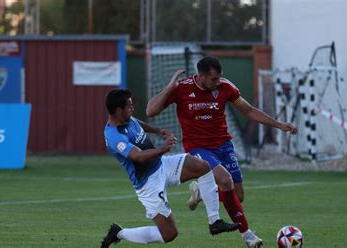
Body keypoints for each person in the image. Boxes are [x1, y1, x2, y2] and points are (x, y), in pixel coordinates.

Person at [146, 56, 297, 248]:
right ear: (201, 77)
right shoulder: (182, 88)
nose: (218, 83)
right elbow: (151, 111)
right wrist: (169, 88)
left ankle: (202, 191)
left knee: (237, 195)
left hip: (224, 145)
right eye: (214, 79)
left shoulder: (226, 87)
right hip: (197, 148)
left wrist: (279, 125)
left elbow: (249, 111)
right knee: (225, 180)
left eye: (219, 78)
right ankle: (248, 236)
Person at [101, 89, 240, 248]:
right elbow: (137, 156)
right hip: (148, 184)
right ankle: (118, 233)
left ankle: (215, 222)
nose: (132, 109)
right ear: (119, 110)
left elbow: (136, 122)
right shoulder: (114, 136)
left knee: (202, 166)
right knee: (169, 234)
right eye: (129, 106)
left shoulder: (126, 118)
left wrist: (158, 131)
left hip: (162, 165)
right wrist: (163, 148)